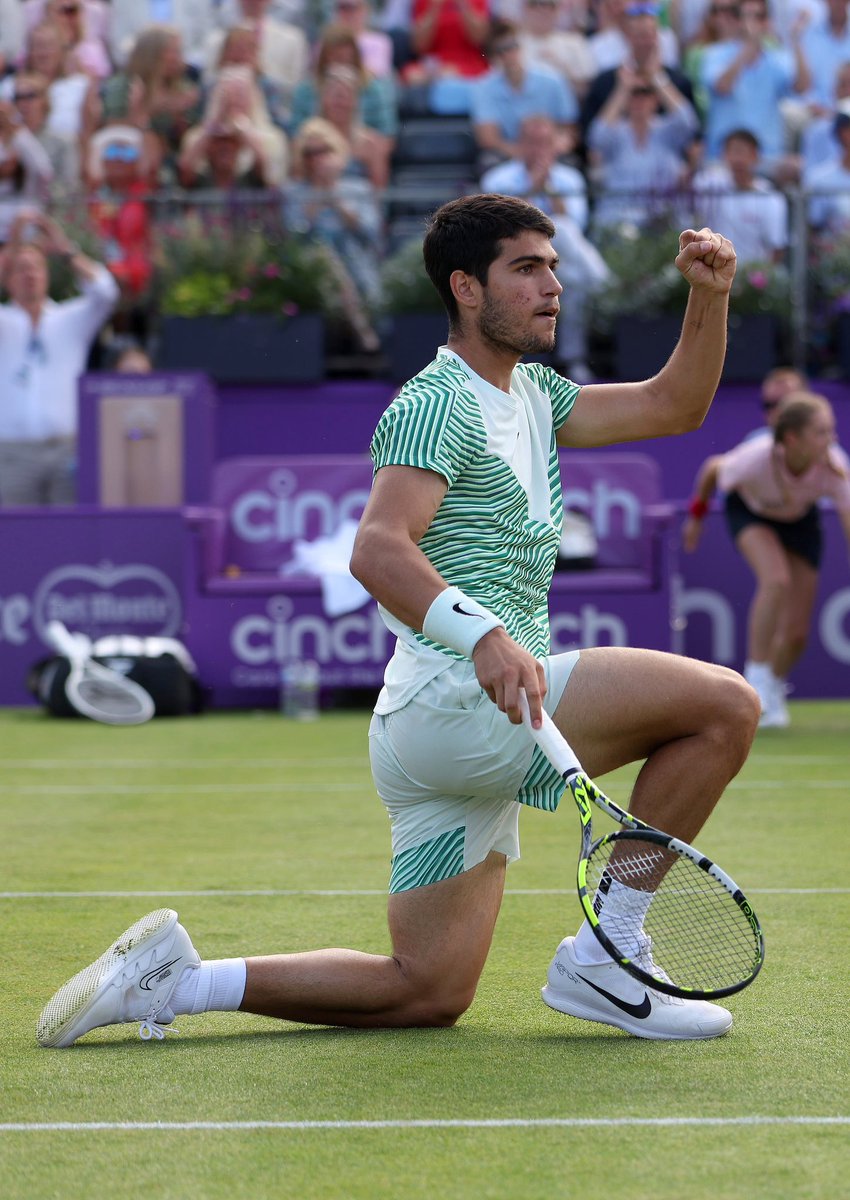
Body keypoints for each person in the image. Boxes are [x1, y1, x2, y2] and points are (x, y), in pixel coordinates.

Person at [37, 194, 762, 1051]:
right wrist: (484, 636)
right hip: (463, 701)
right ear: (465, 288)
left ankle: (178, 979)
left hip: (432, 740)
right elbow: (377, 549)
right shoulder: (435, 401)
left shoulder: (533, 393)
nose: (552, 285)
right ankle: (611, 957)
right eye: (526, 269)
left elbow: (674, 404)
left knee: (424, 990)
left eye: (553, 266)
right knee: (726, 705)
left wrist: (709, 295)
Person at [682, 390, 850, 727]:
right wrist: (697, 518)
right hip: (751, 512)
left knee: (797, 633)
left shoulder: (834, 466)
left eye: (831, 431)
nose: (830, 440)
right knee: (776, 579)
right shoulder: (755, 458)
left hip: (801, 521)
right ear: (792, 438)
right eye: (821, 432)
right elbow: (713, 470)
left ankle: (772, 687)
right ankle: (755, 680)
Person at [0, 209, 119, 505]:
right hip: (12, 454)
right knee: (15, 542)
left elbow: (106, 292)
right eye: (21, 269)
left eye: (37, 267)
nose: (30, 275)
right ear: (8, 278)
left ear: (48, 273)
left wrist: (66, 249)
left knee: (67, 541)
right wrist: (13, 244)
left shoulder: (70, 319)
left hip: (66, 451)